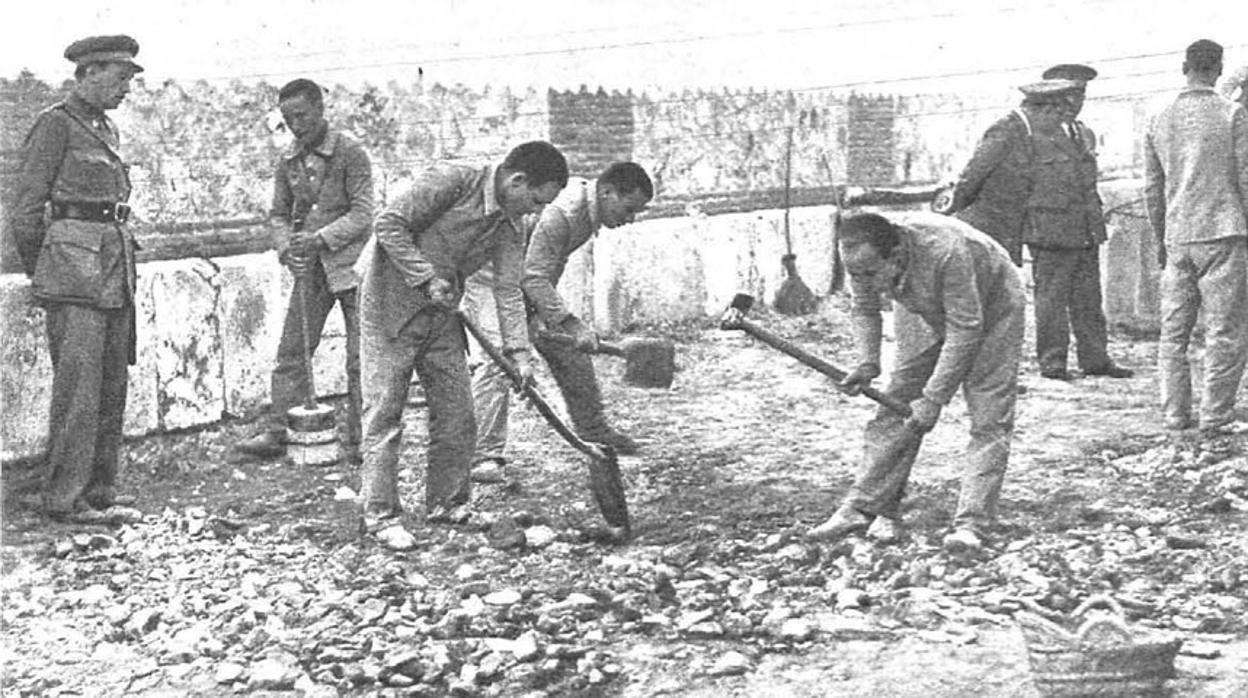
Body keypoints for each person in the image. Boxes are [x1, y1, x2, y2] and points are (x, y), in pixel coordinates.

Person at [358, 141, 568, 550]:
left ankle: (448, 502)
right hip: (390, 304)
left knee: (458, 411)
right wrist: (424, 275)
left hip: (443, 312)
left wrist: (520, 355)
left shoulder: (511, 223)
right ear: (517, 180)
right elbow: (388, 224)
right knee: (385, 413)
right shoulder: (454, 180)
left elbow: (509, 289)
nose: (534, 212)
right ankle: (380, 516)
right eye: (534, 201)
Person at [799, 211, 1025, 553]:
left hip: (993, 305)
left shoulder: (947, 252)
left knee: (988, 417)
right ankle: (863, 507)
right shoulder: (863, 257)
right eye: (856, 273)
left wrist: (934, 398)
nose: (864, 280)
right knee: (897, 404)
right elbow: (864, 308)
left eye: (871, 273)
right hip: (923, 304)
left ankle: (972, 524)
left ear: (898, 255)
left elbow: (966, 328)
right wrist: (867, 363)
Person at [6, 36, 145, 523]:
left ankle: (101, 491)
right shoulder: (55, 125)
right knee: (79, 389)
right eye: (120, 77)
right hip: (73, 275)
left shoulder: (106, 128)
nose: (127, 87)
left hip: (113, 268)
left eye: (130, 78)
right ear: (87, 73)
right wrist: (44, 272)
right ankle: (65, 499)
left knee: (110, 383)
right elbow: (25, 211)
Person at [464, 162, 654, 483]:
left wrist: (547, 319)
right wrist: (568, 322)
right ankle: (484, 456)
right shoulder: (564, 213)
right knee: (501, 357)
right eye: (629, 208)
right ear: (607, 192)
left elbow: (541, 270)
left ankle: (593, 430)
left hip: (522, 276)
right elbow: (534, 276)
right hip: (488, 275)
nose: (630, 218)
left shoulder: (586, 213)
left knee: (569, 348)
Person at [234, 78, 374, 463]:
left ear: (320, 109)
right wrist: (285, 249)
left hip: (354, 268)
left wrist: (321, 238)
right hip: (310, 270)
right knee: (292, 352)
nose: (296, 125)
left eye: (302, 115)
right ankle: (280, 431)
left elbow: (364, 214)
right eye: (288, 119)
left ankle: (363, 440)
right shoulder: (289, 158)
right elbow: (278, 214)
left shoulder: (350, 153)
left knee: (359, 358)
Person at [1144, 39, 1248, 435]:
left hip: (1177, 236)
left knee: (1173, 334)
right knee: (1225, 330)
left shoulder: (1158, 116)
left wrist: (1160, 238)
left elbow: (1152, 188)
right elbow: (1245, 179)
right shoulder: (1232, 114)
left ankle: (1174, 416)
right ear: (1218, 70)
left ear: (1183, 66)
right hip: (1224, 233)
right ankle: (1215, 416)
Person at [1020, 64, 1133, 381]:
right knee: (1052, 299)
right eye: (1070, 94)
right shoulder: (1034, 134)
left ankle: (1095, 359)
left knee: (1088, 298)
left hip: (1085, 227)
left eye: (1081, 94)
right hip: (1051, 229)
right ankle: (1053, 362)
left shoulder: (1084, 133)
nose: (1076, 101)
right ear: (1053, 96)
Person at [945, 80, 1079, 266]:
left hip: (1009, 226)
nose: (1057, 124)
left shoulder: (1026, 132)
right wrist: (953, 209)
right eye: (1058, 116)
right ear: (1044, 110)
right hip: (987, 226)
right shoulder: (1006, 129)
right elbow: (974, 174)